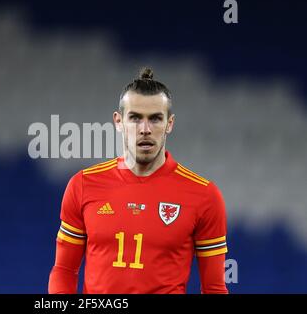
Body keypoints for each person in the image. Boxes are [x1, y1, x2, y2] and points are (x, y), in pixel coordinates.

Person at [48, 68, 228, 294]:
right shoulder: (83, 185)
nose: (145, 129)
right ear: (118, 121)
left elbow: (214, 288)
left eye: (155, 119)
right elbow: (64, 270)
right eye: (135, 118)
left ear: (170, 124)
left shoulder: (204, 196)